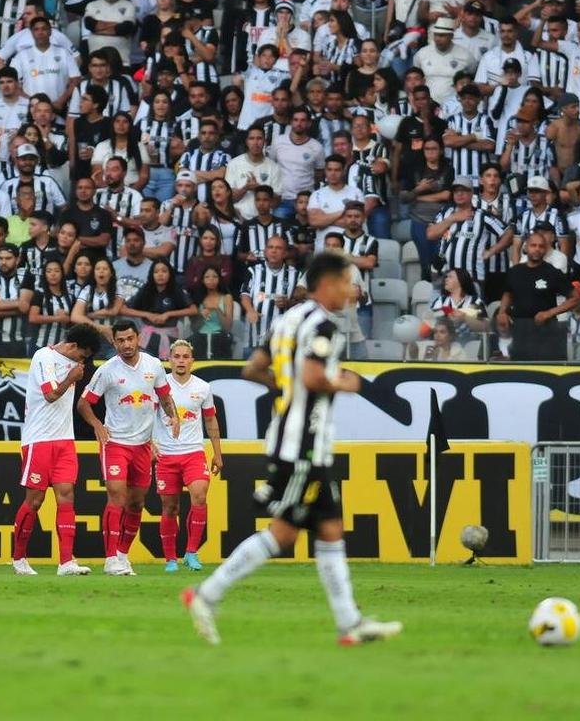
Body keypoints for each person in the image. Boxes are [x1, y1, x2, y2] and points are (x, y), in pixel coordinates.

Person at [185, 251, 403, 646]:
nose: (352, 291)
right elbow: (313, 376)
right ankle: (207, 595)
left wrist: (286, 390)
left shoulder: (287, 320)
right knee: (283, 534)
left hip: (295, 438)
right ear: (327, 284)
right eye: (346, 282)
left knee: (330, 530)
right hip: (303, 445)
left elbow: (253, 368)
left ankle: (350, 622)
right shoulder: (323, 324)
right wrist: (347, 383)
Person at [76, 319, 180, 577]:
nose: (126, 345)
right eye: (120, 340)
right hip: (116, 444)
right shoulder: (107, 370)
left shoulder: (154, 365)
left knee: (136, 503)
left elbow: (165, 396)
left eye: (130, 339)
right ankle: (110, 558)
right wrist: (97, 425)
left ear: (138, 339)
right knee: (116, 496)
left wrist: (174, 416)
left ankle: (123, 555)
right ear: (114, 342)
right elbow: (83, 403)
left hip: (143, 445)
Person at [10, 324, 104, 577]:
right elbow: (50, 394)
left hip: (65, 440)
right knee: (35, 500)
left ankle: (66, 561)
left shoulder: (74, 363)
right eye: (82, 355)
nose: (82, 362)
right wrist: (71, 378)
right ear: (73, 346)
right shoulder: (44, 357)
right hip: (39, 439)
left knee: (67, 496)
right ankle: (19, 558)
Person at [154, 340, 222, 574]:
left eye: (185, 357)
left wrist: (217, 453)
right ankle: (170, 559)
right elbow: (147, 416)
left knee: (200, 496)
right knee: (169, 508)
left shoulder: (203, 387)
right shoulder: (160, 386)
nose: (181, 361)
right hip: (166, 454)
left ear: (192, 361)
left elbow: (210, 419)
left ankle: (191, 552)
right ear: (169, 360)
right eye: (177, 356)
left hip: (193, 453)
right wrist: (150, 443)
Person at [498, 232, 580, 361]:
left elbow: (575, 298)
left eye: (541, 246)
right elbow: (508, 293)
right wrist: (502, 312)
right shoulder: (515, 271)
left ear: (545, 249)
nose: (537, 249)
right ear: (526, 247)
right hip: (520, 331)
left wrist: (549, 313)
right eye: (533, 245)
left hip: (547, 332)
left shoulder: (552, 272)